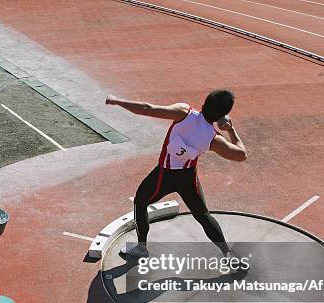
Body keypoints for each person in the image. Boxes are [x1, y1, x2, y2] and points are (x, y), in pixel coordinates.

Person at [105, 89, 247, 258]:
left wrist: (117, 101)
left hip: (163, 175)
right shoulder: (213, 139)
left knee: (140, 201)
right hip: (188, 178)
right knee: (203, 215)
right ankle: (228, 253)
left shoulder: (184, 113)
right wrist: (231, 130)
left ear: (204, 104)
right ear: (222, 116)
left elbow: (147, 108)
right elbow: (241, 155)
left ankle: (141, 248)